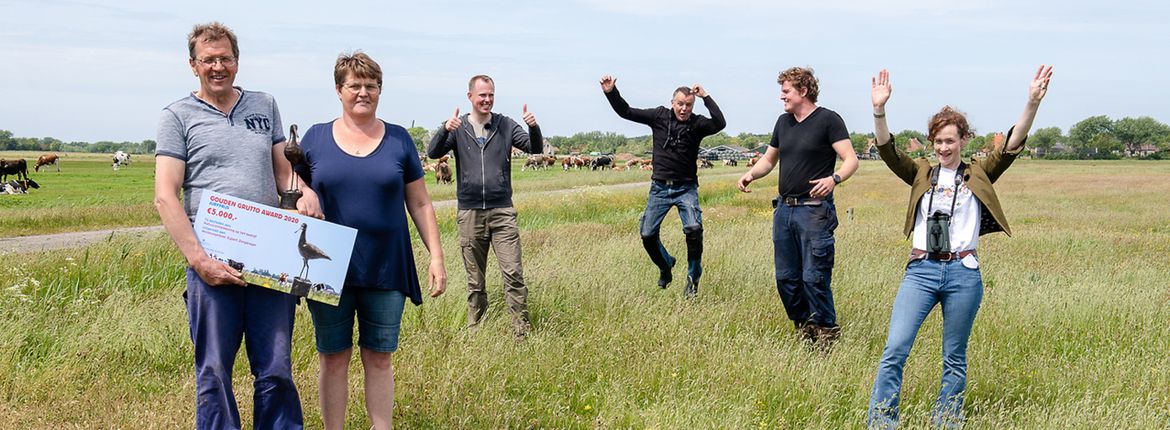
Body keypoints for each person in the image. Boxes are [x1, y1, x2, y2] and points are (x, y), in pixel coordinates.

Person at [866, 66, 1053, 428]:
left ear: (963, 141)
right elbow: (888, 150)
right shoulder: (921, 172)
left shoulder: (979, 173)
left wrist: (1032, 102)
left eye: (950, 141)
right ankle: (881, 421)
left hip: (963, 273)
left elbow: (1012, 144)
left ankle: (946, 421)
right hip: (921, 271)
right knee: (895, 349)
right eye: (937, 141)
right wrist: (879, 110)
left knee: (954, 356)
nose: (943, 148)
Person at [154, 22, 319, 429]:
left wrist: (304, 191)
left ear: (237, 61)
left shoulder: (264, 105)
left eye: (225, 58)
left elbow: (284, 174)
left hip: (268, 258)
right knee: (213, 371)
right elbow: (165, 195)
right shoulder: (177, 116)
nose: (218, 66)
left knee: (277, 368)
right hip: (212, 262)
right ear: (192, 64)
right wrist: (199, 260)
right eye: (208, 60)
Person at [296, 52, 447, 430]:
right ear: (338, 90)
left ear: (380, 90)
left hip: (386, 266)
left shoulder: (398, 140)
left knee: (379, 358)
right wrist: (302, 190)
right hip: (328, 266)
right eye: (354, 85)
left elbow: (420, 201)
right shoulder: (315, 138)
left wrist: (436, 257)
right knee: (333, 357)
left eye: (371, 86)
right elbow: (289, 183)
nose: (363, 92)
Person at [736, 67, 858, 347]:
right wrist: (751, 173)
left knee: (814, 277)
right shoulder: (783, 122)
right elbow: (769, 160)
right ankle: (804, 331)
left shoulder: (829, 120)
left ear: (803, 91)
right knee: (786, 278)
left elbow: (850, 159)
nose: (782, 96)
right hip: (784, 211)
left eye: (786, 90)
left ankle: (826, 335)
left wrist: (834, 178)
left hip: (814, 211)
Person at [426, 75, 540, 338]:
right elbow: (433, 153)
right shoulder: (459, 128)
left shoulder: (506, 125)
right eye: (482, 95)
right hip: (470, 213)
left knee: (513, 273)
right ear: (470, 97)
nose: (487, 100)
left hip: (502, 211)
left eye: (491, 95)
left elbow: (533, 148)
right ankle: (476, 331)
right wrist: (445, 128)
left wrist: (533, 127)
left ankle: (521, 332)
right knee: (475, 281)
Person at [600, 74, 726, 299]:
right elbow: (626, 111)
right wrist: (611, 92)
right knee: (647, 234)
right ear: (672, 102)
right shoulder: (658, 116)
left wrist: (706, 97)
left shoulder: (697, 124)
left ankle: (693, 278)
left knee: (694, 230)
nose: (684, 109)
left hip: (686, 188)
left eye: (688, 105)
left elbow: (719, 123)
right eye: (680, 104)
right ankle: (666, 265)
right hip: (659, 188)